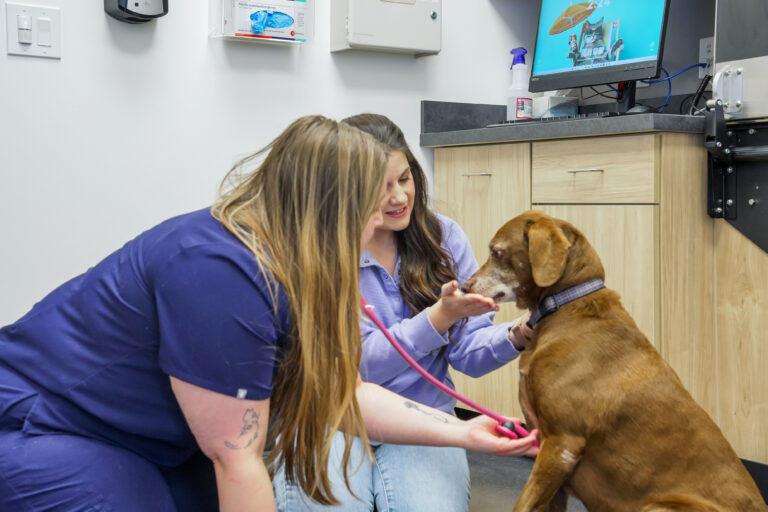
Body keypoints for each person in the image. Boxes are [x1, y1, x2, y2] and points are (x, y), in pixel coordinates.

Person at [0, 115, 538, 512]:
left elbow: (338, 389)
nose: (375, 227)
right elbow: (237, 456)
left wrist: (464, 432)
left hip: (156, 438)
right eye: (369, 212)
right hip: (49, 427)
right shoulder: (218, 270)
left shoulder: (289, 261)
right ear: (329, 208)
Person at [272, 113, 537, 512]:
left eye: (404, 178)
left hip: (425, 417)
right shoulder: (320, 249)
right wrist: (438, 318)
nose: (398, 198)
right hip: (332, 418)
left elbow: (467, 356)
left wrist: (518, 334)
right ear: (346, 191)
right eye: (381, 188)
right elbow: (357, 373)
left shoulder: (444, 236)